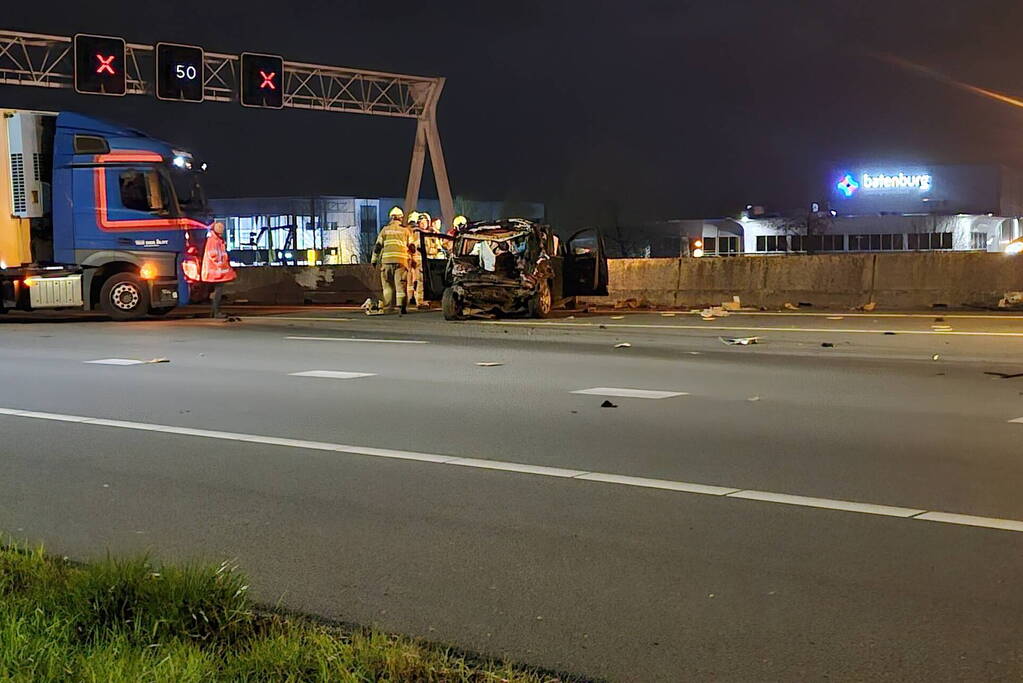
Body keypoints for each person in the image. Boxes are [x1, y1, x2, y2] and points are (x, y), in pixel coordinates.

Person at [370, 206, 414, 315]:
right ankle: (401, 308)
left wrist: (374, 260)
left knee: (387, 286)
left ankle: (389, 307)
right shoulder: (406, 230)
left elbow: (377, 246)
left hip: (386, 262)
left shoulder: (385, 230)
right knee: (400, 285)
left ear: (391, 217)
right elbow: (413, 247)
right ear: (401, 218)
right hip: (401, 262)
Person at [201, 221, 236, 318]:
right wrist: (222, 263)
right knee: (218, 291)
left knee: (217, 291)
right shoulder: (214, 240)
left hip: (216, 271)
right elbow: (214, 255)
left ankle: (214, 312)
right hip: (216, 271)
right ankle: (216, 312)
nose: (222, 230)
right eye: (221, 228)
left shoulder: (217, 240)